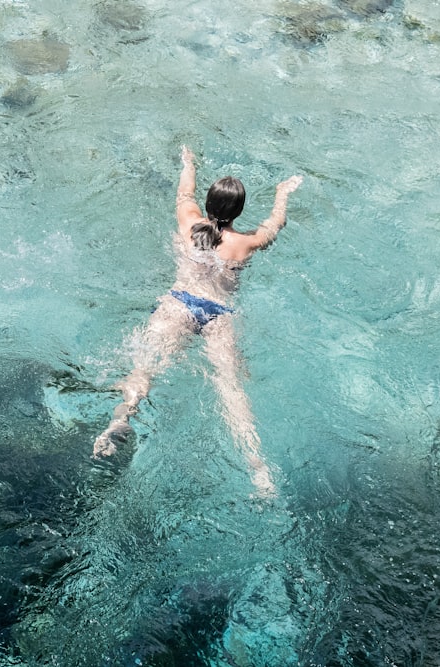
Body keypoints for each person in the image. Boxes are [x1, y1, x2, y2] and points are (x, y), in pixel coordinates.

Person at [93, 145, 303, 497]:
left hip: (179, 304)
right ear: (238, 213)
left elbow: (183, 192)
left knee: (143, 371)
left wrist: (188, 162)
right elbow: (275, 223)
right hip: (219, 315)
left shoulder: (190, 222)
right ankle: (257, 466)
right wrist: (282, 193)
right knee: (230, 388)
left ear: (208, 206)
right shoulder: (247, 243)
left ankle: (119, 423)